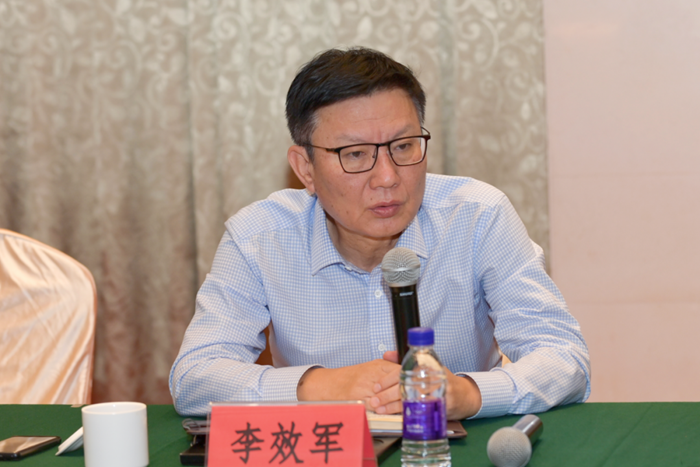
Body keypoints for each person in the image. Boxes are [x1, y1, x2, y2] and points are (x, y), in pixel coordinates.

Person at [169, 47, 591, 419]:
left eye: (404, 146)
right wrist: (323, 385)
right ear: (305, 169)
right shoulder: (259, 237)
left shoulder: (479, 216)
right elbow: (195, 377)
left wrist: (466, 393)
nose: (387, 177)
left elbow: (564, 356)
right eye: (355, 154)